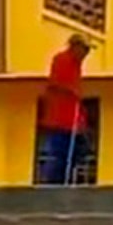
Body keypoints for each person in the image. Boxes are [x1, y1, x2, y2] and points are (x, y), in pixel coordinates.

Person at [34, 32, 93, 186]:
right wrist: (71, 90)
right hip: (59, 120)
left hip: (73, 120)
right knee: (59, 156)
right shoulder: (61, 60)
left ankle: (67, 180)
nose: (86, 54)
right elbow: (54, 83)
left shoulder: (76, 65)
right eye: (84, 50)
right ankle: (53, 185)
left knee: (78, 151)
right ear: (75, 47)